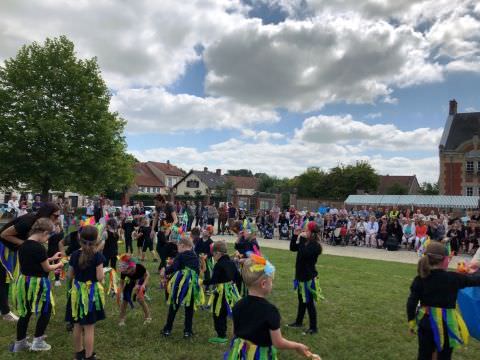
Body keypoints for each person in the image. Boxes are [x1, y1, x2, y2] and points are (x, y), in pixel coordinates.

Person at [225, 254, 314, 360]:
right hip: (260, 356)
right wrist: (297, 346)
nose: (272, 284)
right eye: (271, 281)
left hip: (241, 354)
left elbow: (234, 332)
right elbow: (278, 342)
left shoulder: (237, 305)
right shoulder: (270, 311)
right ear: (263, 284)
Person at [406, 242, 480, 360]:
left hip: (425, 322)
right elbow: (476, 280)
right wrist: (474, 269)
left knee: (424, 353)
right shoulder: (454, 278)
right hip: (448, 324)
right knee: (444, 355)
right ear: (445, 260)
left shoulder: (420, 278)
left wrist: (411, 321)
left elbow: (411, 302)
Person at [0, 203, 60, 322]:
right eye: (55, 216)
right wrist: (27, 244)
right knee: (3, 279)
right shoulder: (28, 221)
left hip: (12, 249)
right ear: (47, 213)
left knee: (6, 279)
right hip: (3, 248)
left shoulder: (40, 223)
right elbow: (3, 234)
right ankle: (5, 312)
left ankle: (3, 308)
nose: (57, 218)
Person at [11, 218, 63, 352]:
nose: (47, 239)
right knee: (46, 309)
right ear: (44, 232)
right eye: (48, 235)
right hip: (38, 283)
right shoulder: (39, 248)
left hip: (24, 282)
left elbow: (36, 261)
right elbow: (46, 268)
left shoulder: (24, 245)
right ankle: (38, 341)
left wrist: (51, 258)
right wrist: (59, 264)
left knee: (25, 312)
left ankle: (20, 343)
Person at [66, 225, 106, 360]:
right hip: (90, 295)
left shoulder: (74, 255)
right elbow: (100, 277)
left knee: (77, 324)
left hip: (77, 294)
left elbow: (70, 275)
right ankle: (89, 356)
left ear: (79, 238)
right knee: (89, 328)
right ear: (96, 241)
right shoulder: (98, 256)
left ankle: (79, 353)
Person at [161, 237, 203, 338]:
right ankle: (187, 331)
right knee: (189, 308)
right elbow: (197, 271)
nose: (177, 249)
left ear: (183, 246)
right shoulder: (195, 256)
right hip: (192, 284)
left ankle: (167, 329)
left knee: (174, 306)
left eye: (178, 247)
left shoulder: (180, 256)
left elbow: (174, 267)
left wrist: (165, 271)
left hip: (180, 285)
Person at [203, 241, 241, 344]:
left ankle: (221, 335)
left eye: (213, 254)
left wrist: (202, 282)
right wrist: (236, 288)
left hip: (221, 292)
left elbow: (214, 280)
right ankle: (233, 333)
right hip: (231, 291)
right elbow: (238, 277)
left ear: (218, 253)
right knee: (226, 312)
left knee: (218, 312)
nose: (213, 257)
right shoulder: (232, 263)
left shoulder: (218, 265)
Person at [288, 222, 323, 335]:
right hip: (300, 275)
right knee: (301, 301)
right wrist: (295, 236)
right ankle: (299, 322)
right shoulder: (306, 242)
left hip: (308, 277)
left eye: (306, 230)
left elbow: (304, 254)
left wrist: (302, 239)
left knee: (308, 303)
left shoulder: (315, 245)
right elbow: (293, 248)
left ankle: (313, 327)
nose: (304, 231)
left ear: (311, 232)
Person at [118, 254, 151, 326]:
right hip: (131, 280)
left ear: (132, 267)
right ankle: (122, 319)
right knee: (125, 299)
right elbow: (122, 283)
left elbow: (147, 275)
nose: (125, 272)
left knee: (140, 299)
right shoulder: (124, 271)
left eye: (127, 271)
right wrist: (121, 293)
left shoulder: (139, 267)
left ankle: (148, 317)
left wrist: (143, 285)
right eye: (124, 271)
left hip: (141, 279)